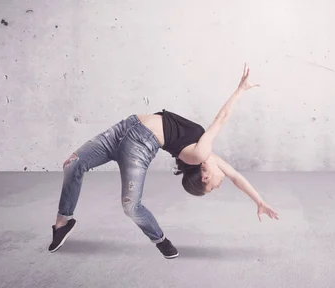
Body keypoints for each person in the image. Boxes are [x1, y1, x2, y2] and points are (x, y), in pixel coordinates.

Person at [48, 64, 279, 259]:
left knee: (130, 206)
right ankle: (62, 223)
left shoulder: (199, 154)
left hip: (140, 145)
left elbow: (221, 121)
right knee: (73, 164)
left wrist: (240, 90)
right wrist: (259, 200)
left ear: (204, 176)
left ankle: (160, 240)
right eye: (214, 187)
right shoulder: (207, 156)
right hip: (125, 128)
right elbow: (236, 175)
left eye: (211, 187)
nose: (220, 184)